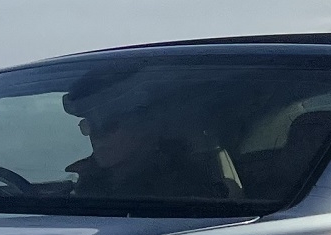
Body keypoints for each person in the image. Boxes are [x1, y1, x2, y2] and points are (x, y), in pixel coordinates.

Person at [62, 72, 241, 201]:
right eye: (89, 125)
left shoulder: (186, 191)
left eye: (109, 124)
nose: (96, 135)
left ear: (144, 126)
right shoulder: (83, 183)